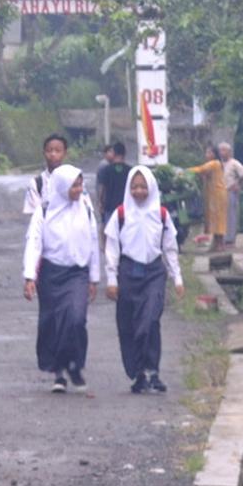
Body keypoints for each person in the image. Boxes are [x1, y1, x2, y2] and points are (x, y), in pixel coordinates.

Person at [105, 167, 184, 394]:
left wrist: (177, 277)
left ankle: (153, 370)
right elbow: (112, 248)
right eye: (135, 187)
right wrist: (112, 279)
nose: (139, 191)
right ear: (129, 189)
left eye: (143, 187)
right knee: (130, 324)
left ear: (151, 188)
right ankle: (140, 373)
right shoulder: (120, 215)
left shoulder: (161, 215)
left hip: (154, 274)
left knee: (149, 320)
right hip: (128, 273)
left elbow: (169, 248)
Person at [22, 164, 100, 393]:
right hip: (51, 274)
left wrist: (94, 278)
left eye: (80, 184)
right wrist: (29, 276)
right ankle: (59, 372)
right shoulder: (44, 211)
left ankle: (75, 363)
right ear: (62, 186)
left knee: (76, 319)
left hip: (77, 273)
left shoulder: (85, 208)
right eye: (74, 185)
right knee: (53, 323)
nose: (78, 189)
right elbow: (34, 243)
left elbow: (93, 242)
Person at [187, 145, 228, 250]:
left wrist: (185, 171)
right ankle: (217, 244)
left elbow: (200, 169)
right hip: (215, 195)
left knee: (218, 220)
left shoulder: (214, 163)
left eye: (209, 153)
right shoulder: (216, 164)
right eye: (206, 153)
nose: (207, 155)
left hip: (217, 195)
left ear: (214, 154)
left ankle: (220, 245)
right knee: (215, 219)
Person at [22, 133, 68, 215]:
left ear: (65, 154)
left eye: (58, 151)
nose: (53, 154)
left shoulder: (74, 181)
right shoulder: (36, 184)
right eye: (49, 151)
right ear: (43, 153)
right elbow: (34, 214)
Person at [219, 142, 243, 248]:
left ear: (229, 152)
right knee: (221, 216)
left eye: (224, 150)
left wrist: (239, 185)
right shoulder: (219, 163)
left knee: (231, 215)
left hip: (230, 191)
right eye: (220, 150)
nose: (222, 153)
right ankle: (222, 238)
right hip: (220, 192)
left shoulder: (234, 163)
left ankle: (230, 239)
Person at [96, 141, 131, 225]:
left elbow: (102, 188)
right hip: (125, 208)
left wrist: (100, 203)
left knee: (110, 233)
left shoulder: (106, 169)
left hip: (109, 207)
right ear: (124, 154)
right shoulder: (129, 170)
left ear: (114, 153)